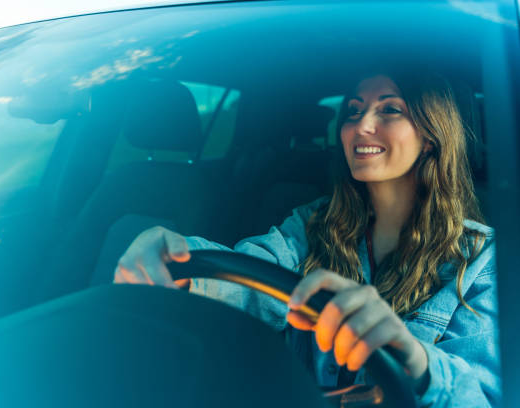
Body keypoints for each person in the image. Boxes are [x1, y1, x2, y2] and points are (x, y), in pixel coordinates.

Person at [114, 68, 499, 407]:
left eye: (389, 109)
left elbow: (481, 397)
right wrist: (179, 260)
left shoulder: (483, 260)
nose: (361, 125)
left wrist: (413, 357)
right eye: (353, 110)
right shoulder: (312, 224)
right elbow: (251, 279)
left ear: (430, 136)